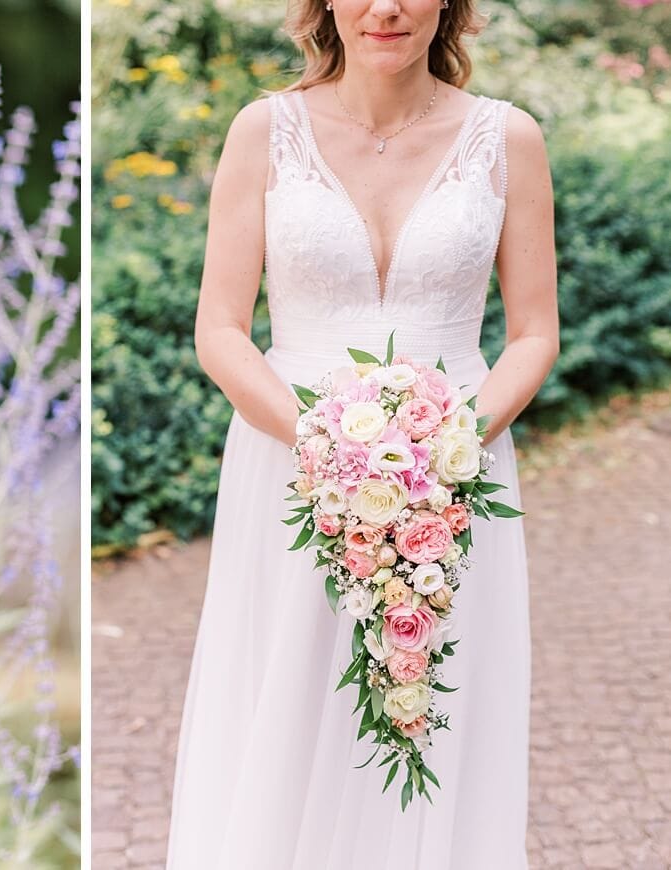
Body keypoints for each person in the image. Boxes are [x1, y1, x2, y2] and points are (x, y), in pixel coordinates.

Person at [164, 0, 559, 867]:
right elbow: (221, 328)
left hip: (458, 473)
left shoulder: (509, 139)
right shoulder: (263, 130)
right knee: (291, 699)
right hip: (291, 463)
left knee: (430, 702)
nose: (386, 8)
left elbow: (534, 332)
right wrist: (321, 443)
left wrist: (448, 449)